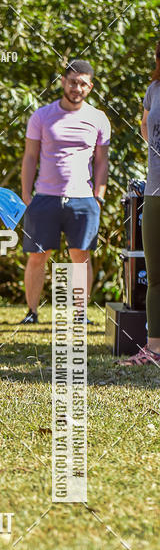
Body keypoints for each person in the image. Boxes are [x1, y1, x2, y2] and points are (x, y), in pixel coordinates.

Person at [20, 59, 110, 323]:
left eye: (83, 83)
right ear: (63, 82)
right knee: (38, 256)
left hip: (83, 198)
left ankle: (80, 313)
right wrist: (27, 195)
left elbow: (102, 161)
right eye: (72, 82)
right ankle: (32, 312)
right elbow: (29, 157)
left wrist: (99, 195)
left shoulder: (98, 118)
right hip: (45, 197)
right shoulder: (42, 115)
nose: (77, 88)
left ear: (90, 87)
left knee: (80, 257)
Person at [119, 42, 160, 366]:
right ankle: (154, 347)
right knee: (156, 274)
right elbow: (146, 125)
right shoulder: (153, 89)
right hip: (156, 190)